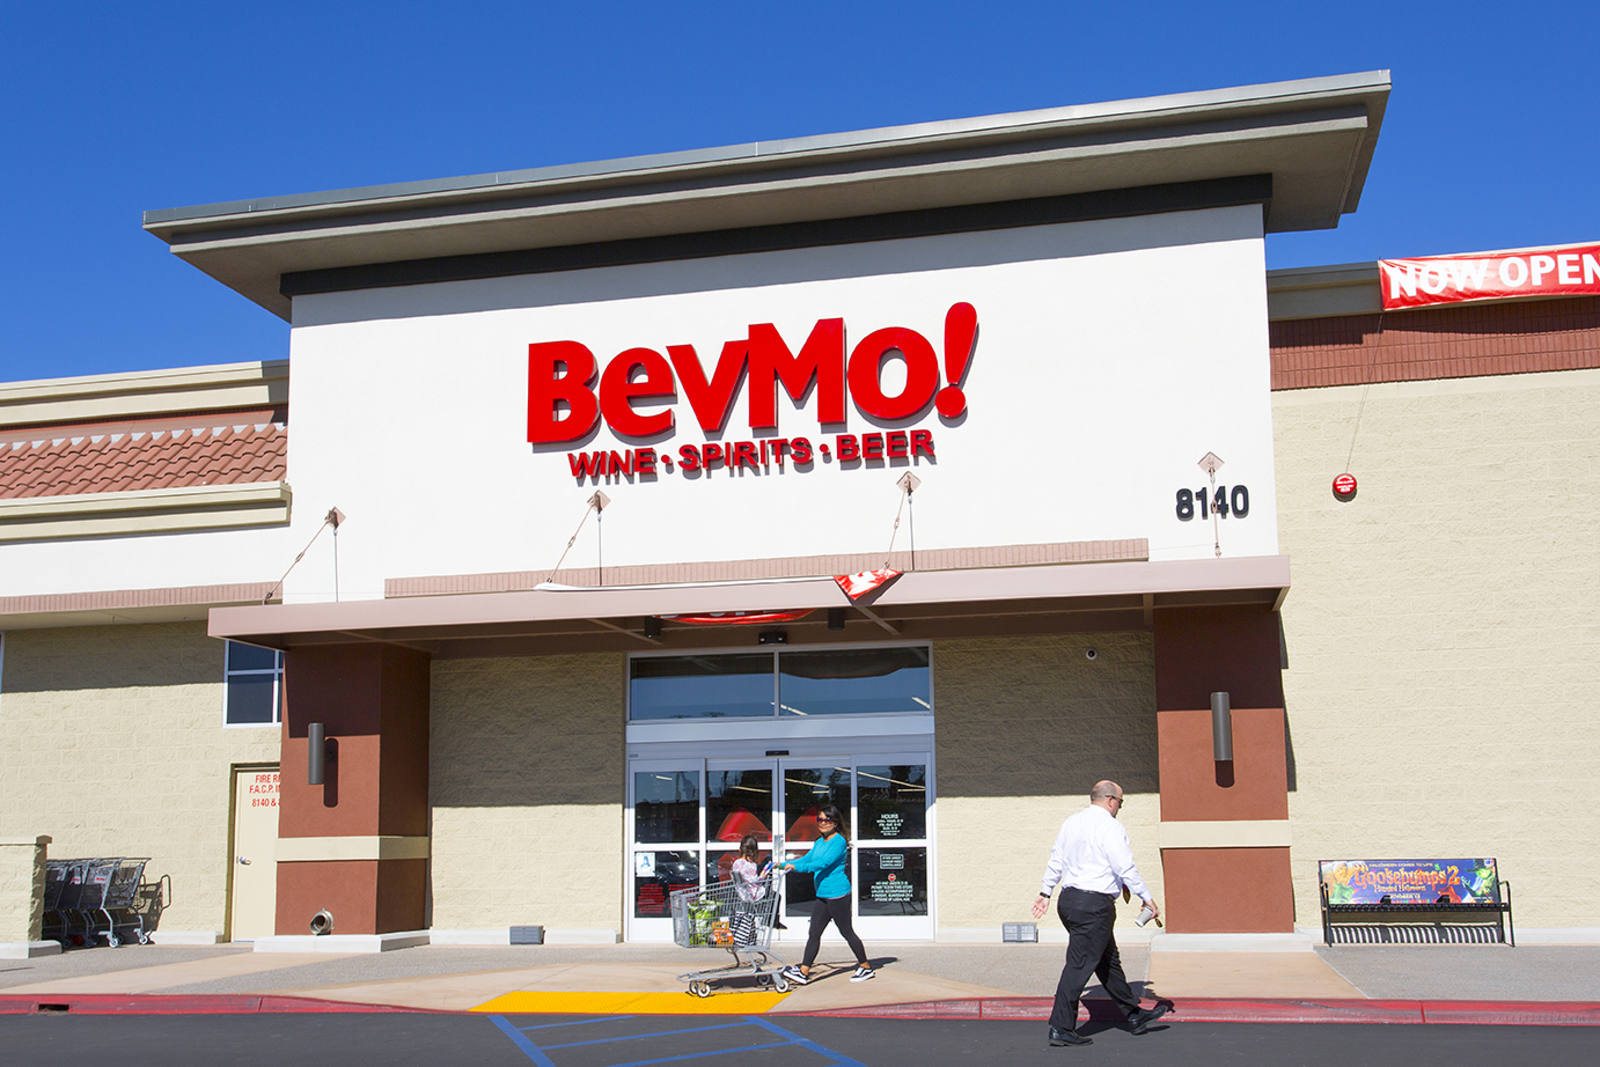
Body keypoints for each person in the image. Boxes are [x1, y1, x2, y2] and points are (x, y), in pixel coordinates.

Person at [1031, 780, 1174, 1047]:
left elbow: (1056, 859)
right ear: (1110, 800)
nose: (1120, 807)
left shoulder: (1071, 823)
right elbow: (1124, 865)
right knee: (1079, 965)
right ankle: (1061, 1027)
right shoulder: (1110, 826)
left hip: (1070, 901)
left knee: (1108, 961)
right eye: (1121, 802)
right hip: (1094, 906)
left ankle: (1133, 1015)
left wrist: (1045, 892)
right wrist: (1146, 897)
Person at [778, 805, 874, 984]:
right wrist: (783, 864)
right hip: (822, 894)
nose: (822, 823)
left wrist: (796, 868)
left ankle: (865, 967)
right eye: (820, 820)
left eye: (827, 820)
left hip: (838, 894)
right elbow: (808, 858)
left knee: (846, 931)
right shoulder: (819, 842)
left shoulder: (838, 842)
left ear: (835, 822)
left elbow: (821, 863)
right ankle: (804, 971)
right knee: (814, 932)